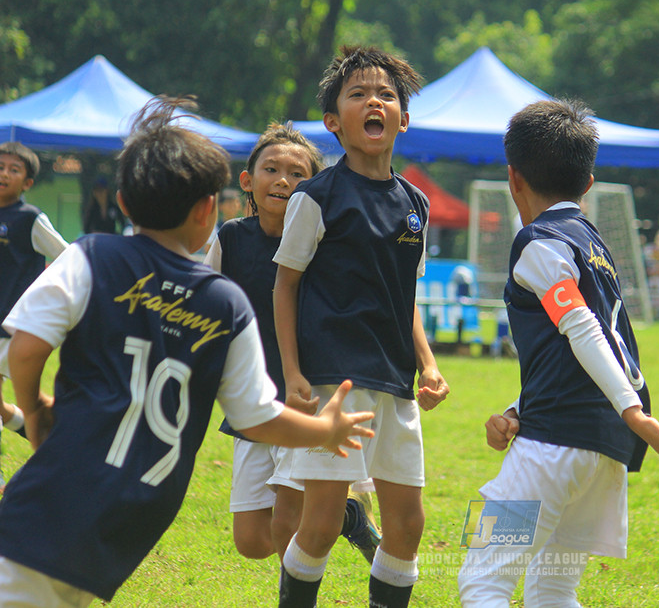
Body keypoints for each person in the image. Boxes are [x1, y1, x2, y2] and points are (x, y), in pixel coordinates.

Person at [0, 97, 374, 607]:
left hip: (56, 509)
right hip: (116, 523)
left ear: (124, 205)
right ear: (207, 213)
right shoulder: (225, 300)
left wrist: (35, 408)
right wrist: (327, 431)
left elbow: (24, 350)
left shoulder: (92, 256)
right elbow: (259, 416)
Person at [456, 99, 659, 607]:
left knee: (482, 580)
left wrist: (636, 414)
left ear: (513, 178)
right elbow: (587, 341)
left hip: (549, 452)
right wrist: (519, 410)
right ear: (588, 183)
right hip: (601, 453)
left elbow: (580, 325)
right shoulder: (593, 244)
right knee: (552, 588)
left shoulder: (538, 243)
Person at [273, 46, 450, 608]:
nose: (375, 101)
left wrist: (429, 364)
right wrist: (294, 373)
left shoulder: (416, 204)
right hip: (334, 382)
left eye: (387, 95)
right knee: (321, 524)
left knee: (408, 526)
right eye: (358, 94)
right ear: (333, 122)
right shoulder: (315, 195)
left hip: (396, 381)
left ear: (403, 117)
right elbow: (286, 285)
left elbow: (409, 298)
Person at [203, 123, 381, 568]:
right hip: (253, 403)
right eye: (271, 169)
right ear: (247, 180)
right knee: (252, 541)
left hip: (308, 399)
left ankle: (299, 587)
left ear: (314, 187)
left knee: (286, 527)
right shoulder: (230, 238)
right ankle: (344, 515)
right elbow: (205, 308)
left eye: (297, 174)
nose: (283, 181)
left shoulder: (326, 245)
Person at [0, 142, 70, 476]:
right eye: (0, 166)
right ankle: (59, 441)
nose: (4, 173)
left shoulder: (29, 219)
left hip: (9, 326)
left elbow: (69, 257)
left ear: (28, 183)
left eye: (14, 170)